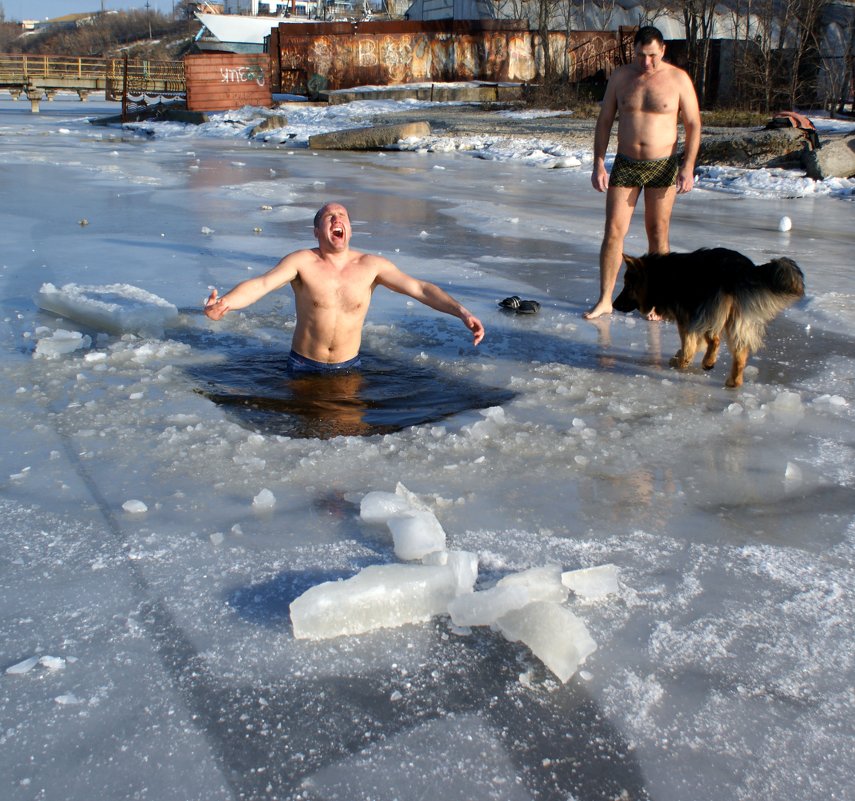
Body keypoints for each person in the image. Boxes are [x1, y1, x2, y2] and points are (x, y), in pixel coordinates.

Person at [204, 202, 484, 371]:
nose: (337, 219)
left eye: (342, 216)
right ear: (317, 231)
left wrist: (461, 311)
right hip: (303, 365)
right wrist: (226, 302)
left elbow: (420, 289)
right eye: (329, 217)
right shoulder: (302, 261)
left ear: (350, 229)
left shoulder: (371, 265)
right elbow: (261, 285)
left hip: (348, 368)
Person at [585, 25, 701, 320]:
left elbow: (693, 125)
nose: (646, 62)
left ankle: (657, 302)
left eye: (651, 56)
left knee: (658, 233)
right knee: (613, 231)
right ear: (633, 50)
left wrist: (687, 166)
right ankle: (605, 300)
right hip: (626, 162)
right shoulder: (621, 77)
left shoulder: (678, 79)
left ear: (662, 50)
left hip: (663, 165)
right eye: (640, 55)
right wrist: (599, 162)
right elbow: (605, 121)